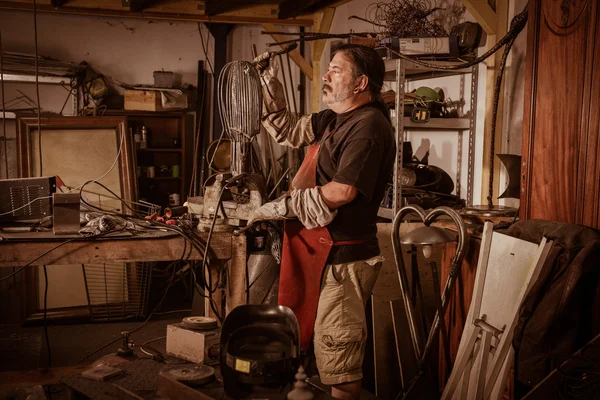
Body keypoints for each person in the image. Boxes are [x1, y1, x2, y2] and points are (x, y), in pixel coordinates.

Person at [249, 44, 395, 400]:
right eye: (327, 69)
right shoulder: (334, 119)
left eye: (335, 70)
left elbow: (343, 191)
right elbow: (287, 129)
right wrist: (269, 81)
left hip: (344, 262)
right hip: (322, 255)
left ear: (361, 83)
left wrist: (285, 205)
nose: (326, 77)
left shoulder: (369, 125)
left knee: (340, 366)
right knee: (325, 355)